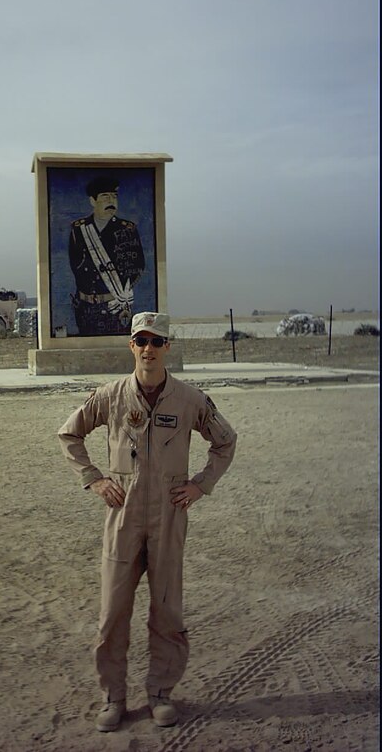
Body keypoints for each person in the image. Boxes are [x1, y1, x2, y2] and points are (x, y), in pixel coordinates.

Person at [57, 312, 237, 732]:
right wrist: (95, 479)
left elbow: (225, 442)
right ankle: (113, 697)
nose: (149, 349)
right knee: (112, 612)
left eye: (157, 341)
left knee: (166, 610)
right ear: (131, 346)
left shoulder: (191, 399)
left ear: (168, 347)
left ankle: (160, 693)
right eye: (142, 340)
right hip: (123, 517)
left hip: (169, 517)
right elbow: (69, 434)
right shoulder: (111, 396)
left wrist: (199, 486)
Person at [69, 176, 145, 336]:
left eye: (114, 197)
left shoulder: (127, 229)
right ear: (92, 201)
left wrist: (122, 294)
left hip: (115, 307)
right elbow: (76, 265)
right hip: (86, 308)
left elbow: (137, 267)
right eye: (105, 197)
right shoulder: (78, 230)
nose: (111, 201)